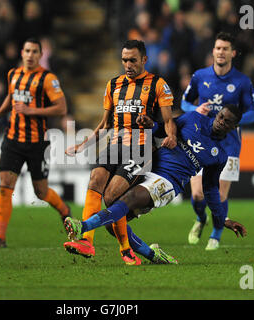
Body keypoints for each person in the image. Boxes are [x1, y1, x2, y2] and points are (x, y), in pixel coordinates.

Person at [64, 105, 248, 264]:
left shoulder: (220, 155)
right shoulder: (193, 118)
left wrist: (223, 218)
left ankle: (83, 226)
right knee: (113, 224)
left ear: (234, 126)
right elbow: (164, 129)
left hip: (169, 182)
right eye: (221, 116)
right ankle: (153, 255)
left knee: (131, 198)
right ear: (217, 115)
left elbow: (210, 188)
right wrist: (152, 125)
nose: (221, 121)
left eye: (227, 121)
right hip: (150, 164)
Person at [63, 40, 177, 264]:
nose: (128, 64)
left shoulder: (157, 84)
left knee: (112, 197)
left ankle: (127, 250)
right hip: (114, 145)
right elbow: (105, 124)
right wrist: (82, 145)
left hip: (140, 150)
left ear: (144, 59)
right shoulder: (113, 85)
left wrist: (171, 136)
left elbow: (168, 120)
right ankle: (87, 242)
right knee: (95, 179)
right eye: (124, 60)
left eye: (133, 60)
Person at [0, 38, 70, 248]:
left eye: (35, 52)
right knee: (6, 185)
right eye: (27, 51)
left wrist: (33, 111)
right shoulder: (13, 74)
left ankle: (64, 210)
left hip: (36, 143)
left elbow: (61, 108)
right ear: (21, 53)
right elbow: (11, 96)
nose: (30, 55)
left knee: (40, 192)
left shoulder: (48, 79)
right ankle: (0, 238)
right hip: (12, 140)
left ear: (41, 55)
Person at [181, 32, 254, 250]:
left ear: (232, 53)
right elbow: (185, 102)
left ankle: (216, 233)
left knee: (219, 195)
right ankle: (201, 219)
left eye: (225, 48)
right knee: (197, 194)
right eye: (217, 48)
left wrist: (237, 121)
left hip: (229, 145)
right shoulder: (199, 76)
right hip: (202, 139)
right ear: (213, 51)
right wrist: (196, 110)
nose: (221, 52)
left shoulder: (242, 82)